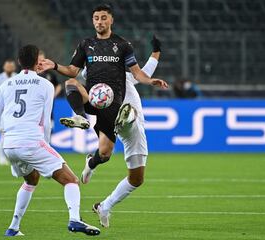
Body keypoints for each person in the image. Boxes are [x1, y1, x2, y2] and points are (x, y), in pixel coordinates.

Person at [0, 45, 100, 236]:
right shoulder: (45, 85)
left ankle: (13, 227)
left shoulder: (5, 85)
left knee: (31, 179)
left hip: (10, 145)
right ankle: (75, 220)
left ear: (19, 62)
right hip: (32, 142)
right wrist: (46, 144)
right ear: (38, 62)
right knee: (71, 180)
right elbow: (46, 121)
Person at [38, 4, 168, 186]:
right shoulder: (86, 44)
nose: (100, 21)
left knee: (105, 153)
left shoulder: (123, 45)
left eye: (103, 18)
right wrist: (55, 65)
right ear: (92, 21)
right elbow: (72, 71)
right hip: (93, 99)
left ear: (111, 20)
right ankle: (80, 117)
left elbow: (138, 73)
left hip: (113, 105)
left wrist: (151, 80)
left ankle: (91, 163)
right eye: (96, 18)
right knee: (71, 84)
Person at [81, 35, 162, 227]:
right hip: (120, 123)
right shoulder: (95, 86)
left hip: (136, 129)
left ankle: (104, 206)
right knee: (125, 119)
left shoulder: (125, 77)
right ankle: (124, 118)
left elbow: (146, 72)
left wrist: (157, 51)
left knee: (137, 179)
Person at [37, 50, 62, 129]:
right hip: (35, 112)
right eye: (39, 60)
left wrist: (53, 95)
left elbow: (59, 86)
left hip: (48, 111)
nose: (41, 62)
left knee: (48, 133)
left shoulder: (50, 74)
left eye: (43, 60)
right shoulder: (33, 74)